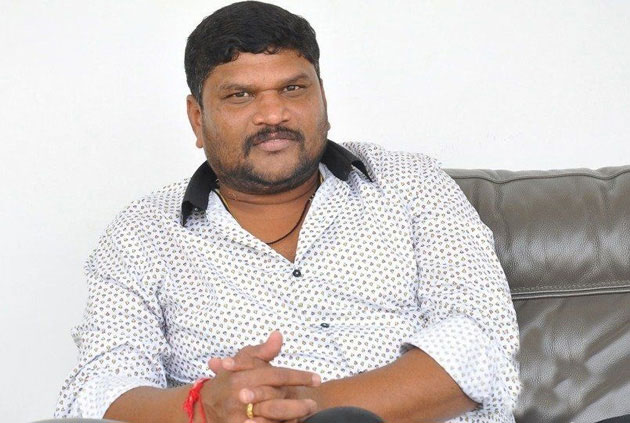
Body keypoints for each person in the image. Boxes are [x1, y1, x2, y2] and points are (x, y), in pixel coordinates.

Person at [55, 1, 520, 422]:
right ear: (198, 118)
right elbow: (96, 393)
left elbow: (480, 343)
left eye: (293, 88)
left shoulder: (409, 183)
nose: (273, 114)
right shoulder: (142, 235)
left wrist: (298, 409)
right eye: (240, 95)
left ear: (323, 98)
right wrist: (205, 408)